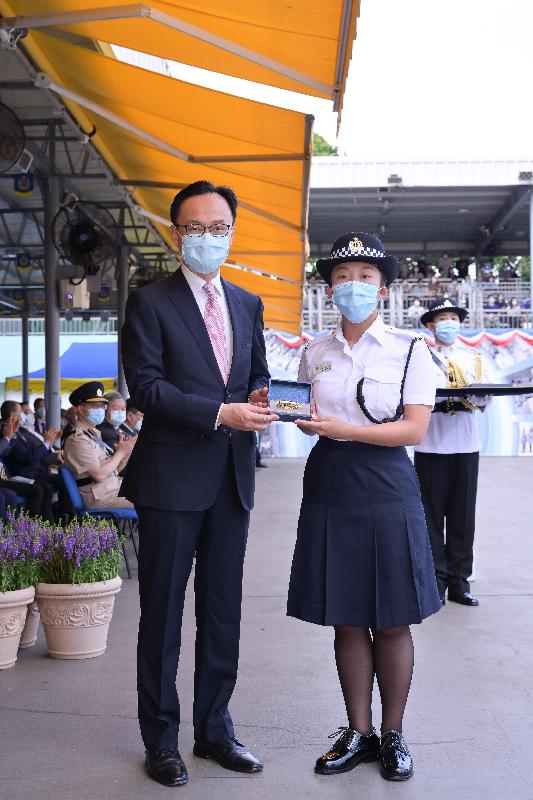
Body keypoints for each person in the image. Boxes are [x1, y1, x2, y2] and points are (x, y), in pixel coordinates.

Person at [120, 180, 276, 788]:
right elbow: (149, 389)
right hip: (169, 480)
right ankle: (160, 739)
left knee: (221, 612)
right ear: (176, 231)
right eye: (196, 227)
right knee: (160, 615)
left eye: (220, 228)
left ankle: (214, 730)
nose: (209, 237)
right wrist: (222, 413)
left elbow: (256, 371)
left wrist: (260, 400)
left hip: (230, 480)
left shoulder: (247, 302)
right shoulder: (150, 302)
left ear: (232, 233)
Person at [287, 232, 440, 783]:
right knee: (347, 616)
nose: (354, 286)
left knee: (392, 619)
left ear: (383, 288)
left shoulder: (410, 350)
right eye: (344, 277)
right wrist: (272, 405)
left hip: (386, 484)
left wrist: (347, 429)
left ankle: (394, 734)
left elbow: (416, 427)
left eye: (366, 278)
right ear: (329, 287)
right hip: (330, 480)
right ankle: (358, 730)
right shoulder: (316, 353)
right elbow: (299, 405)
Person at [414, 298, 489, 607]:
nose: (449, 323)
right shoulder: (420, 356)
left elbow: (484, 400)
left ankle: (460, 581)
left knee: (462, 516)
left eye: (454, 318)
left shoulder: (473, 358)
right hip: (431, 442)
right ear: (431, 325)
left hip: (465, 443)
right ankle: (436, 581)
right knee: (431, 517)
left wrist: (475, 395)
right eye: (443, 318)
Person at [63, 382, 136, 509]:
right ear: (80, 409)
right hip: (99, 496)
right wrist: (120, 453)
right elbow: (99, 475)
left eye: (103, 406)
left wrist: (124, 455)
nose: (101, 410)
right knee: (152, 497)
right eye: (95, 406)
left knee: (156, 489)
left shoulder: (92, 435)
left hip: (110, 488)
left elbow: (112, 472)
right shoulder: (77, 439)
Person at [0, 405, 54, 521]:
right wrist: (8, 436)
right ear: (13, 415)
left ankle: (47, 526)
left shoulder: (19, 431)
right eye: (21, 412)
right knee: (38, 489)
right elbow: (27, 457)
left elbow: (7, 450)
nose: (24, 416)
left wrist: (11, 435)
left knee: (47, 486)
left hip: (14, 473)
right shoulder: (4, 430)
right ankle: (28, 529)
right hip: (17, 473)